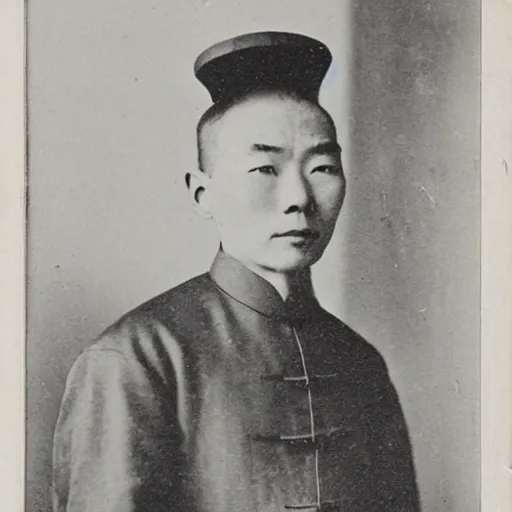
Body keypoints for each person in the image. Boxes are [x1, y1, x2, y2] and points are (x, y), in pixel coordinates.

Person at [52, 32, 420, 512]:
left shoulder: (361, 363)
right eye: (265, 169)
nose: (298, 199)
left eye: (322, 168)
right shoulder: (137, 358)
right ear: (203, 194)